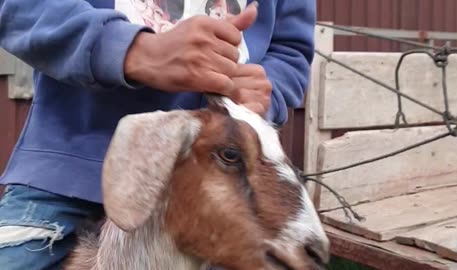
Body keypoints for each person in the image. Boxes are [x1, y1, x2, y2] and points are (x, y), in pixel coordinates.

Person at [0, 0, 316, 268]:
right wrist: (133, 50)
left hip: (229, 187)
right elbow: (22, 8)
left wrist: (264, 93)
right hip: (70, 174)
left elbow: (290, 50)